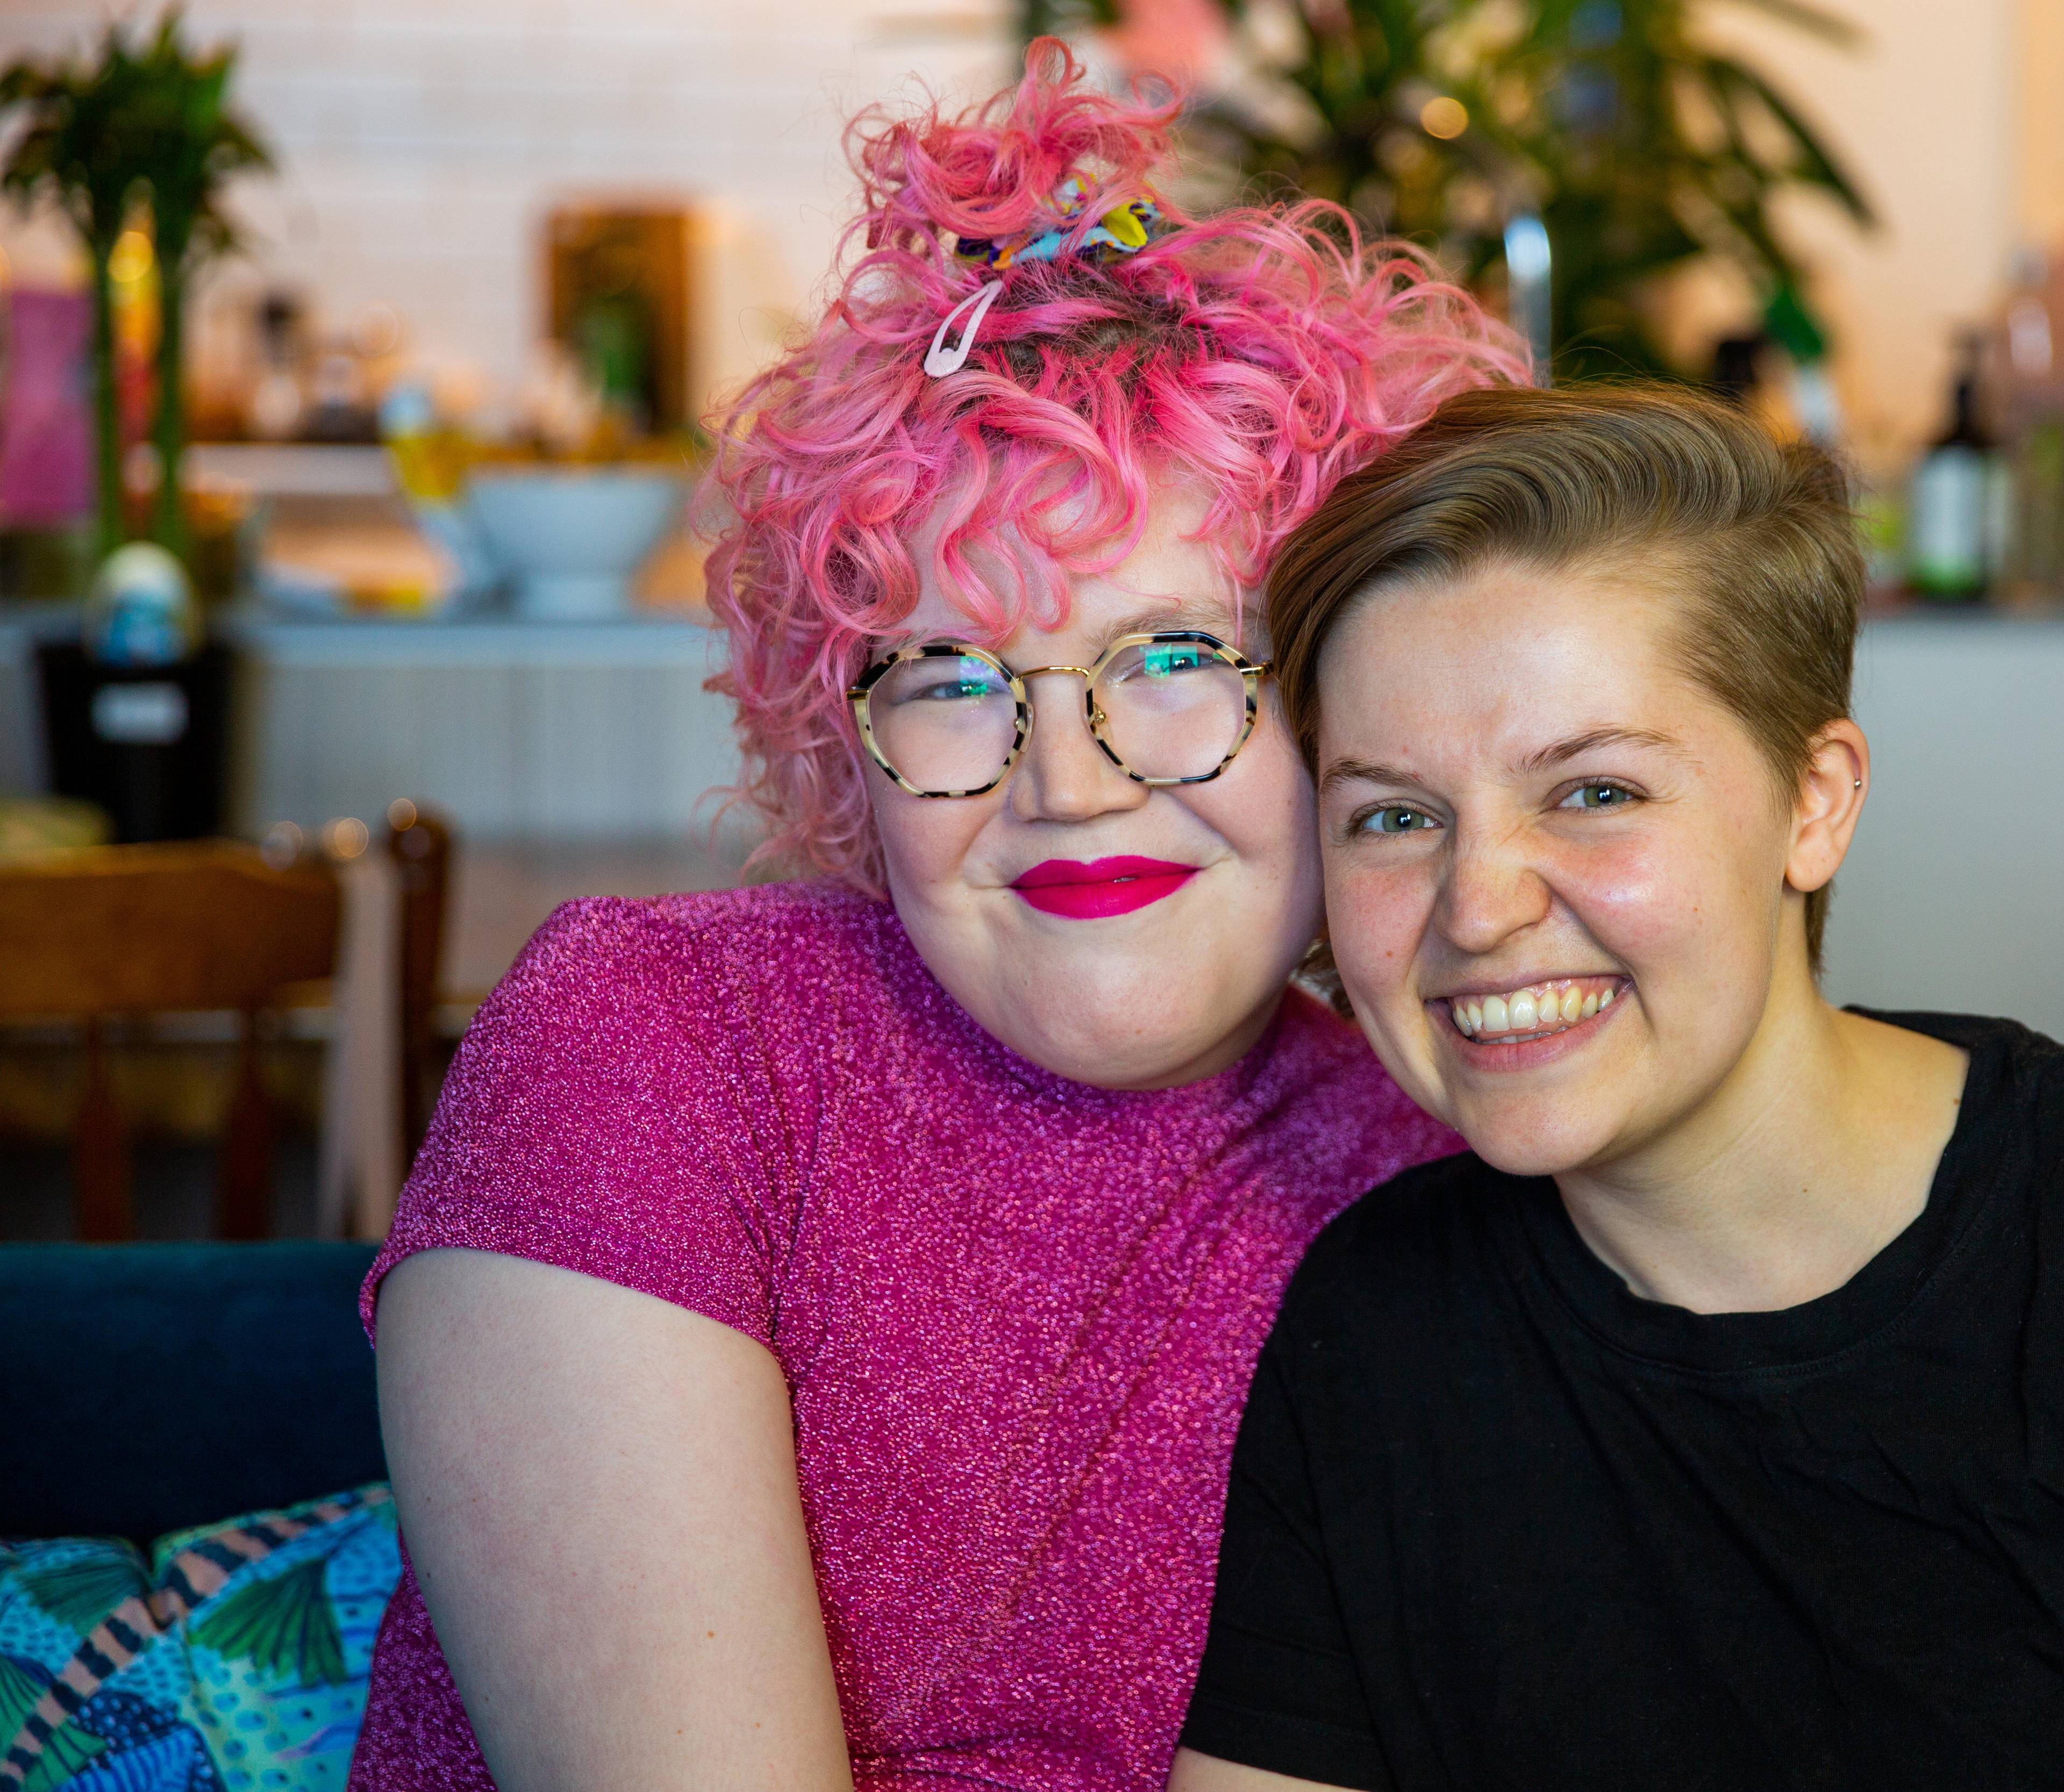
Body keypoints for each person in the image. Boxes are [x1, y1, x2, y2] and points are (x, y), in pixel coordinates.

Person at [358, 46, 1516, 1792]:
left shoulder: (1448, 1174)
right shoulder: (655, 1042)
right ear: (846, 730)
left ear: (1354, 705)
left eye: (1181, 660)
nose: (1068, 779)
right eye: (959, 677)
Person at [1168, 385, 2064, 1792]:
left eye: (1593, 791)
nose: (1475, 907)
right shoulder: (1375, 1335)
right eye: (1393, 818)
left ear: (1815, 802)